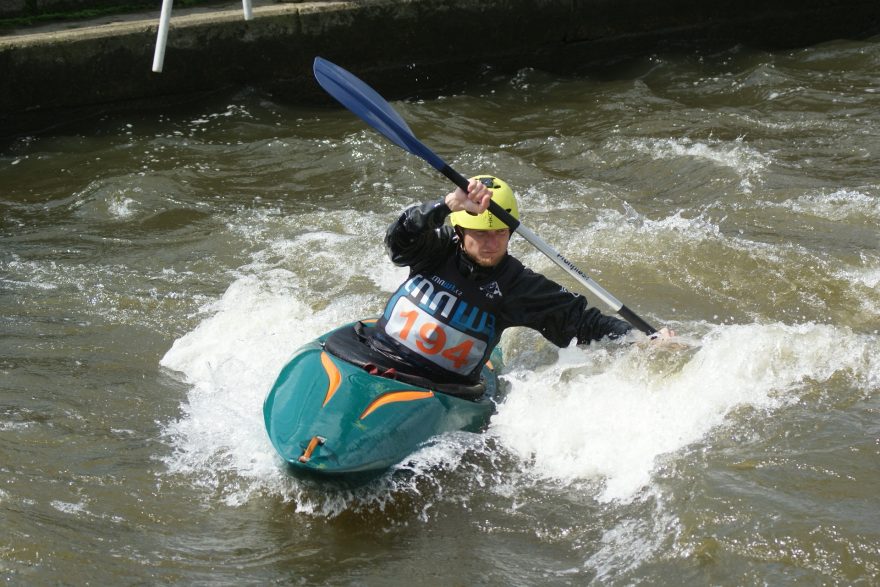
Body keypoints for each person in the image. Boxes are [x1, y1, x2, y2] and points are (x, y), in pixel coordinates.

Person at [358, 175, 673, 388]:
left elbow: (582, 322)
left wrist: (643, 338)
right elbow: (398, 240)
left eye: (500, 233)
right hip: (377, 355)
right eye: (481, 234)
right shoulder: (435, 248)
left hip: (439, 388)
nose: (492, 244)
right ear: (459, 231)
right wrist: (445, 206)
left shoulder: (516, 284)